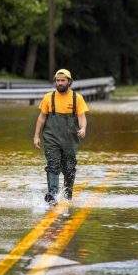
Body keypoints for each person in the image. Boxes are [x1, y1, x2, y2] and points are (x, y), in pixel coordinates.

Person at [33, 69, 88, 205]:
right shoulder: (48, 97)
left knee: (69, 167)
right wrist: (36, 136)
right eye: (58, 81)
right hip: (51, 138)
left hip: (70, 140)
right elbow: (41, 118)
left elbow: (82, 117)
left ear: (69, 82)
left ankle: (68, 194)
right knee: (53, 164)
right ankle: (52, 194)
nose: (60, 83)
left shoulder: (77, 98)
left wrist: (83, 128)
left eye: (63, 80)